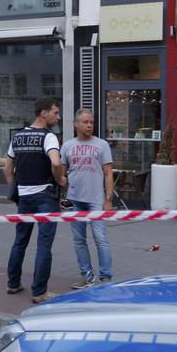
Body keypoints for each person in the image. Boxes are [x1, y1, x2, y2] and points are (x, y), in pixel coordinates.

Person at [4, 96, 65, 304]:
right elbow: (56, 163)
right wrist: (61, 179)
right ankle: (39, 292)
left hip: (24, 197)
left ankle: (13, 284)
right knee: (43, 246)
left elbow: (7, 168)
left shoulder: (18, 136)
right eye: (55, 112)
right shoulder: (48, 137)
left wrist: (17, 190)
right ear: (43, 113)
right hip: (45, 197)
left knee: (19, 241)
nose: (58, 116)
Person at [61, 109, 115, 289]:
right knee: (79, 240)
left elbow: (108, 174)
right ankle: (87, 277)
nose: (90, 125)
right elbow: (62, 174)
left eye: (91, 122)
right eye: (85, 122)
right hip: (75, 200)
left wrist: (108, 200)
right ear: (76, 124)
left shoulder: (102, 145)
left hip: (96, 201)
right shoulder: (67, 146)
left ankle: (105, 278)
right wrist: (62, 195)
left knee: (100, 238)